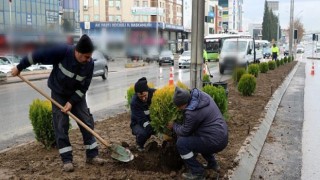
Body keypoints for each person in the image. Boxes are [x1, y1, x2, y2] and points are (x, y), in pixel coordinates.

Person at [11, 34, 106, 172]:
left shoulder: (89, 64)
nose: (89, 59)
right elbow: (36, 55)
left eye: (90, 56)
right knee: (61, 124)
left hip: (76, 97)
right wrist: (20, 67)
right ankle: (67, 160)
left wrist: (72, 102)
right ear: (78, 52)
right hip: (59, 93)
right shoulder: (62, 51)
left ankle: (92, 155)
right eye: (86, 56)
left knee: (86, 121)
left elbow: (83, 87)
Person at [167, 87, 228, 180]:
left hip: (215, 141)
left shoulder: (192, 113)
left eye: (179, 106)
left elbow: (184, 131)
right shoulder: (202, 96)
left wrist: (174, 126)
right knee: (200, 137)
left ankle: (198, 172)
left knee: (181, 143)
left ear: (183, 104)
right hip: (222, 135)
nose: (178, 109)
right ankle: (213, 165)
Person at [130, 77, 156, 152]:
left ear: (147, 91)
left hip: (152, 120)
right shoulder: (134, 103)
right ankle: (139, 144)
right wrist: (151, 129)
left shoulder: (155, 94)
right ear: (137, 94)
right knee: (144, 133)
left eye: (145, 95)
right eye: (140, 97)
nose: (143, 98)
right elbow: (141, 120)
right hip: (138, 123)